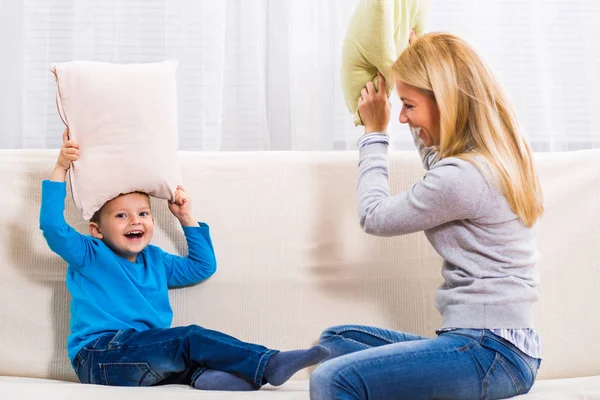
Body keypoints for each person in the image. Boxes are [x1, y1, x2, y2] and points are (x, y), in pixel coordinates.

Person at [310, 32, 544, 400]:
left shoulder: (464, 178)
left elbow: (373, 216)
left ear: (445, 101)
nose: (401, 117)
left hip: (491, 351)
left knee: (332, 380)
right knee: (335, 341)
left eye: (408, 105)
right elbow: (439, 158)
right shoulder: (490, 158)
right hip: (495, 344)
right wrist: (415, 61)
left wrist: (374, 133)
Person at [40, 129, 328, 391]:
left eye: (142, 214)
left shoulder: (155, 260)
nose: (134, 222)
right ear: (97, 230)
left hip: (142, 359)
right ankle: (269, 363)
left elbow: (202, 267)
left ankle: (215, 380)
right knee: (188, 339)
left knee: (187, 360)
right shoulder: (90, 253)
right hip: (98, 356)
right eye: (121, 216)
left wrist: (186, 218)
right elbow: (53, 227)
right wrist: (61, 168)